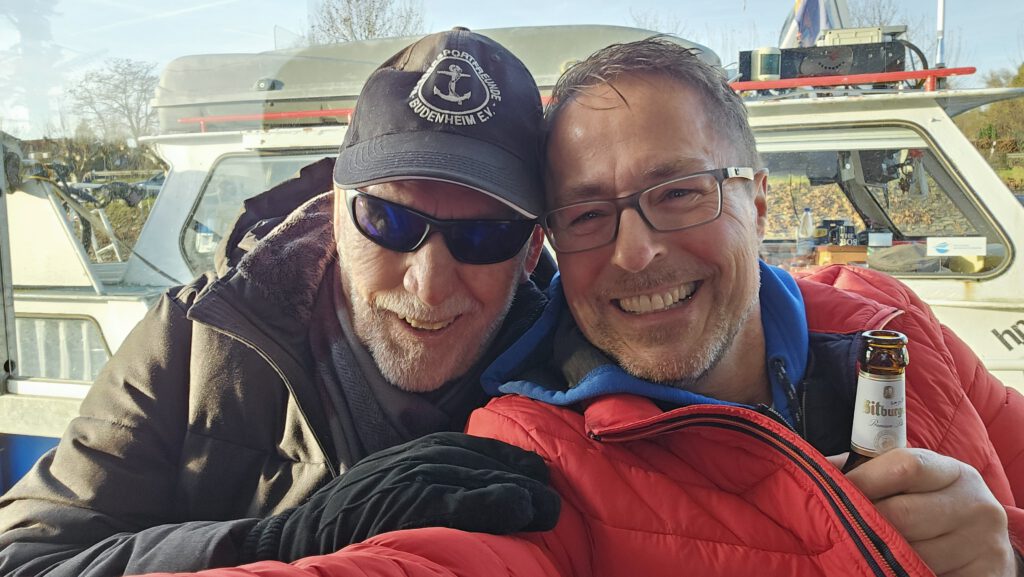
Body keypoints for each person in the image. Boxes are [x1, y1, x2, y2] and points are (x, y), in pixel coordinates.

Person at [146, 37, 1024, 577]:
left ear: (757, 200)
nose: (635, 251)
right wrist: (289, 536)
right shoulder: (535, 451)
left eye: (678, 192)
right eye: (589, 214)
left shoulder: (888, 321)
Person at [0, 27, 562, 577]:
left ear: (532, 248)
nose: (429, 285)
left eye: (485, 236)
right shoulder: (188, 343)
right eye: (389, 220)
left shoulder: (573, 377)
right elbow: (27, 559)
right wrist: (279, 541)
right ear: (337, 209)